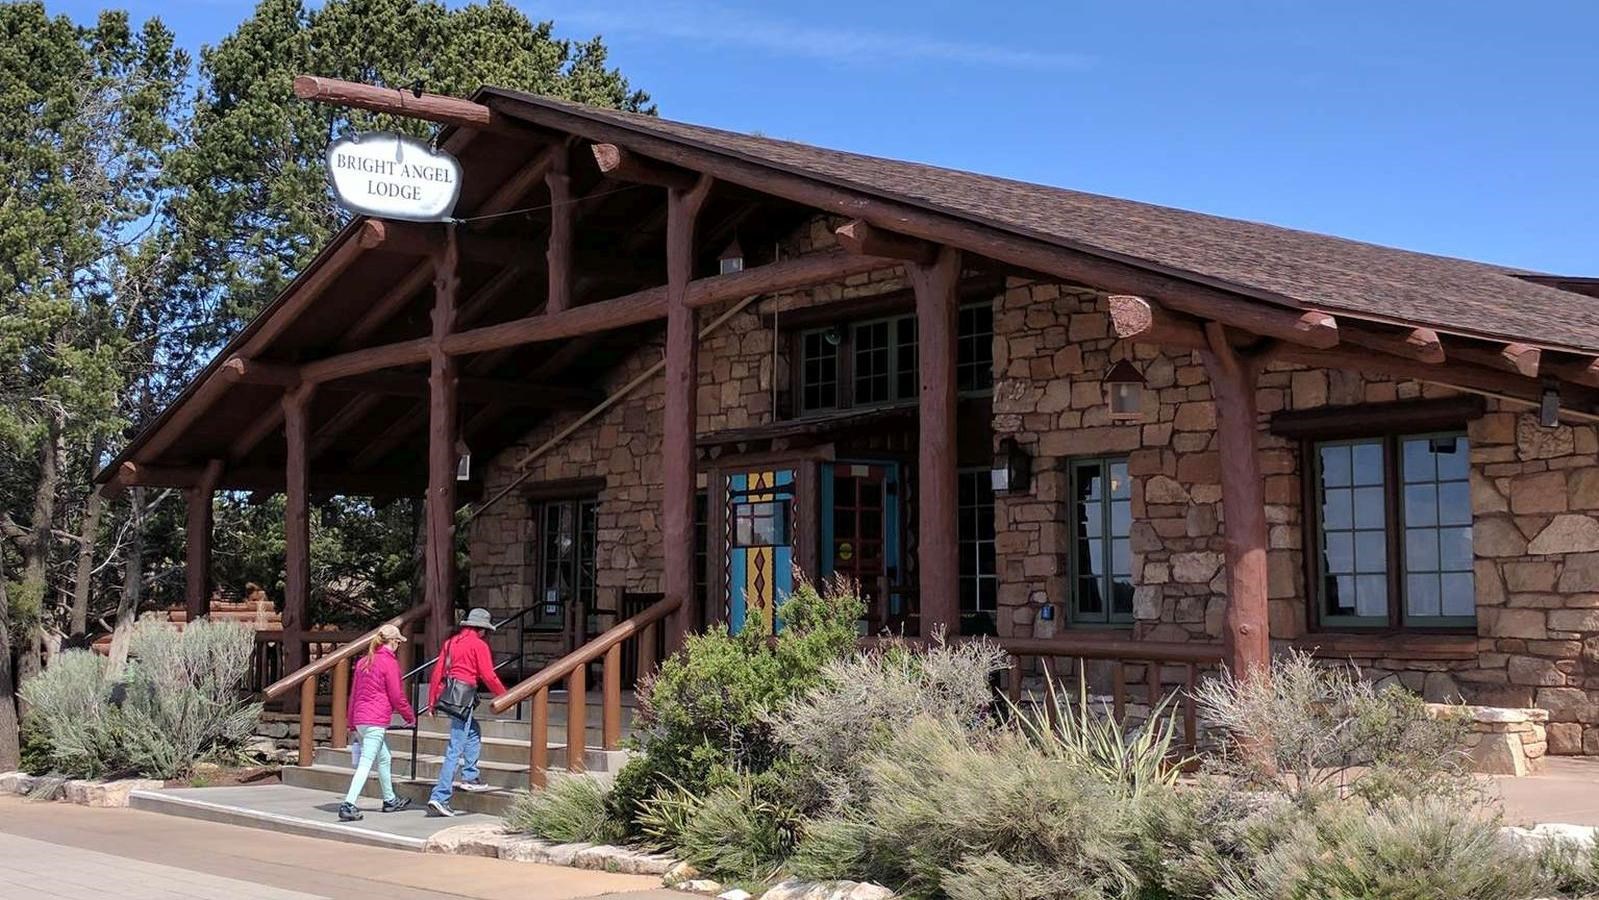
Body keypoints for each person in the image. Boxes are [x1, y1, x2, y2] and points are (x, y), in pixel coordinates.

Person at [425, 608, 506, 817]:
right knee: (455, 747)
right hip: (465, 697)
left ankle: (471, 776)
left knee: (472, 732)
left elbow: (437, 672)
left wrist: (432, 701)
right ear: (481, 629)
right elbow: (488, 675)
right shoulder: (479, 645)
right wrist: (504, 695)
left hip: (450, 696)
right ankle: (440, 795)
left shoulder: (451, 643)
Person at [339, 623, 417, 822]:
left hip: (361, 718)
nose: (399, 646)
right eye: (398, 642)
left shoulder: (364, 661)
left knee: (384, 758)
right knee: (366, 763)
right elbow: (397, 695)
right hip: (376, 720)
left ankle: (390, 799)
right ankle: (348, 803)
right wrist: (409, 716)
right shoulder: (389, 663)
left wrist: (351, 722)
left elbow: (354, 694)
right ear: (392, 642)